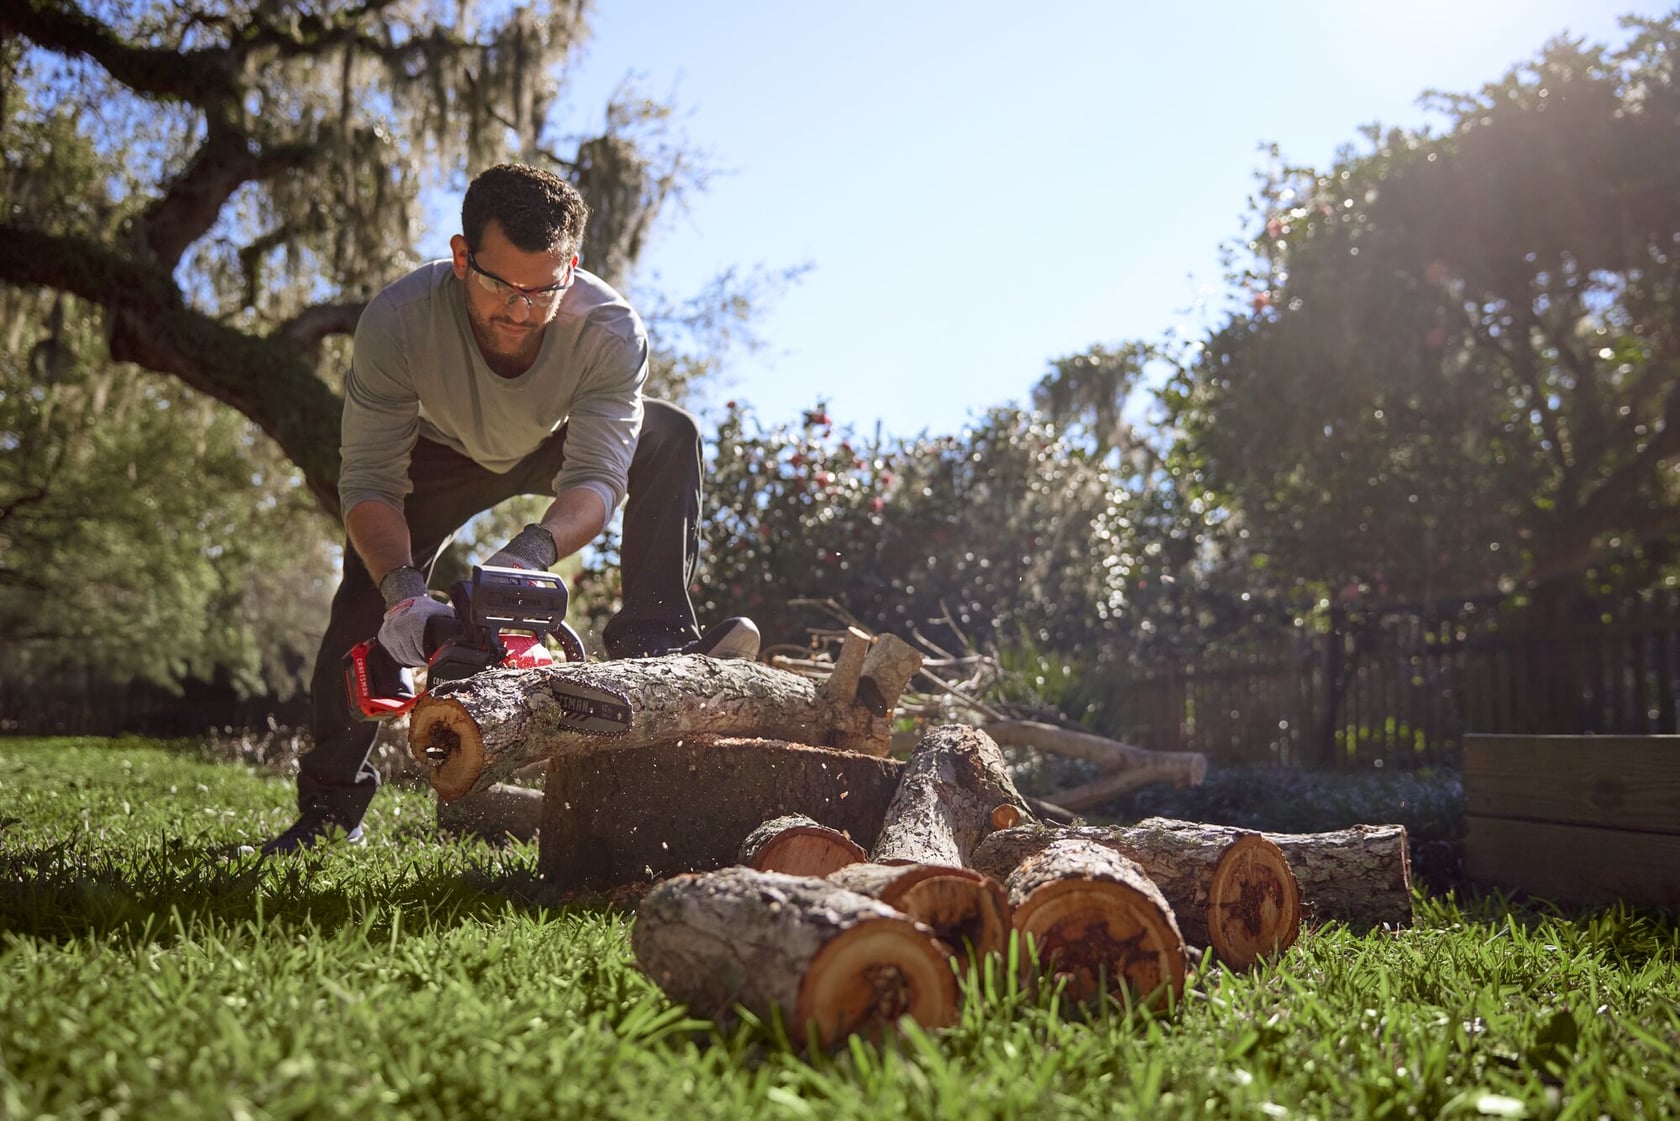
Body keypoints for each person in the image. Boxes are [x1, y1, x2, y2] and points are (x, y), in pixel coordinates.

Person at [259, 163, 758, 855]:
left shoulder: (610, 329)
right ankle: (328, 811)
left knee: (670, 433)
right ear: (462, 258)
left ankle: (656, 643)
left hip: (550, 443)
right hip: (435, 454)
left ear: (572, 268)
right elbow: (370, 482)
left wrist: (524, 559)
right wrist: (404, 592)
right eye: (500, 286)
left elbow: (596, 479)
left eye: (543, 290)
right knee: (363, 606)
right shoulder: (399, 319)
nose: (521, 311)